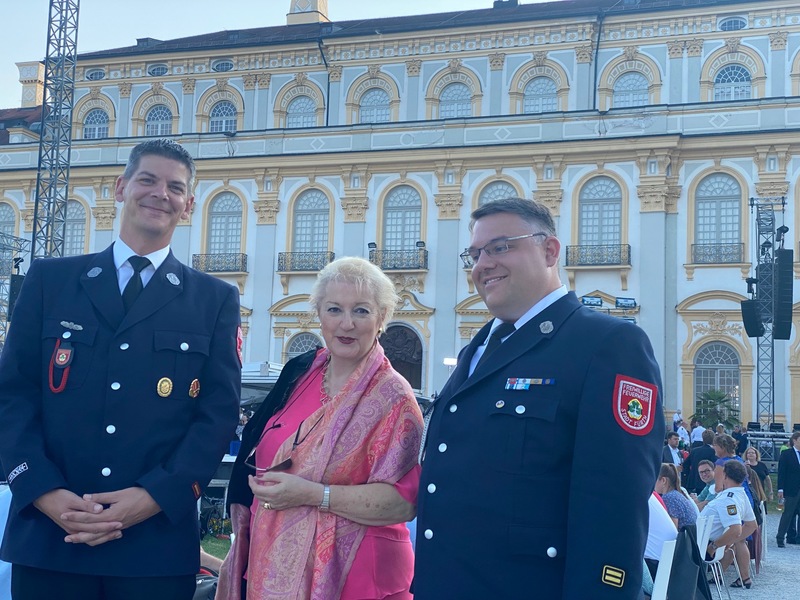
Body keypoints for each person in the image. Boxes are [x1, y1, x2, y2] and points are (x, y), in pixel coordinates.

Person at [0, 139, 242, 600]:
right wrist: (44, 492)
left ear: (188, 206)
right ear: (120, 187)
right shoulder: (51, 281)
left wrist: (153, 498)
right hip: (51, 537)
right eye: (147, 179)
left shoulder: (213, 301)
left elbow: (216, 416)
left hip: (152, 545)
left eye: (175, 187)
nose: (160, 194)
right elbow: (13, 396)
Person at [413, 197, 665, 599]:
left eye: (500, 247)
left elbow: (613, 508)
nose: (482, 265)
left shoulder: (606, 344)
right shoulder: (475, 350)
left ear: (550, 250)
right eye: (475, 254)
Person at [216, 257, 424, 600]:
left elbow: (402, 504)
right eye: (334, 309)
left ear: (382, 318)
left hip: (355, 575)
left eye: (361, 311)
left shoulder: (393, 396)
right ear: (318, 314)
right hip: (272, 560)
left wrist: (313, 495)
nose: (346, 323)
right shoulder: (301, 370)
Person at [700, 460, 756, 589]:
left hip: (702, 545)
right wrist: (729, 541)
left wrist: (715, 546)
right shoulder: (741, 495)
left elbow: (736, 529)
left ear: (725, 475)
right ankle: (724, 575)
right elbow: (751, 525)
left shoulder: (728, 499)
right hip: (707, 541)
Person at [776, 430, 800, 548]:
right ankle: (780, 537)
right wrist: (780, 489)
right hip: (791, 489)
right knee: (788, 514)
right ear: (794, 440)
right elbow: (781, 473)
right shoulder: (786, 454)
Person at [655, 463, 697, 530]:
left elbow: (673, 529)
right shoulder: (677, 494)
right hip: (690, 537)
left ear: (663, 480)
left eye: (655, 479)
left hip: (684, 539)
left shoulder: (669, 498)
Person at [683, 429, 716, 493]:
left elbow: (685, 464)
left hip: (694, 481)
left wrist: (689, 475)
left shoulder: (695, 451)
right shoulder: (714, 451)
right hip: (708, 482)